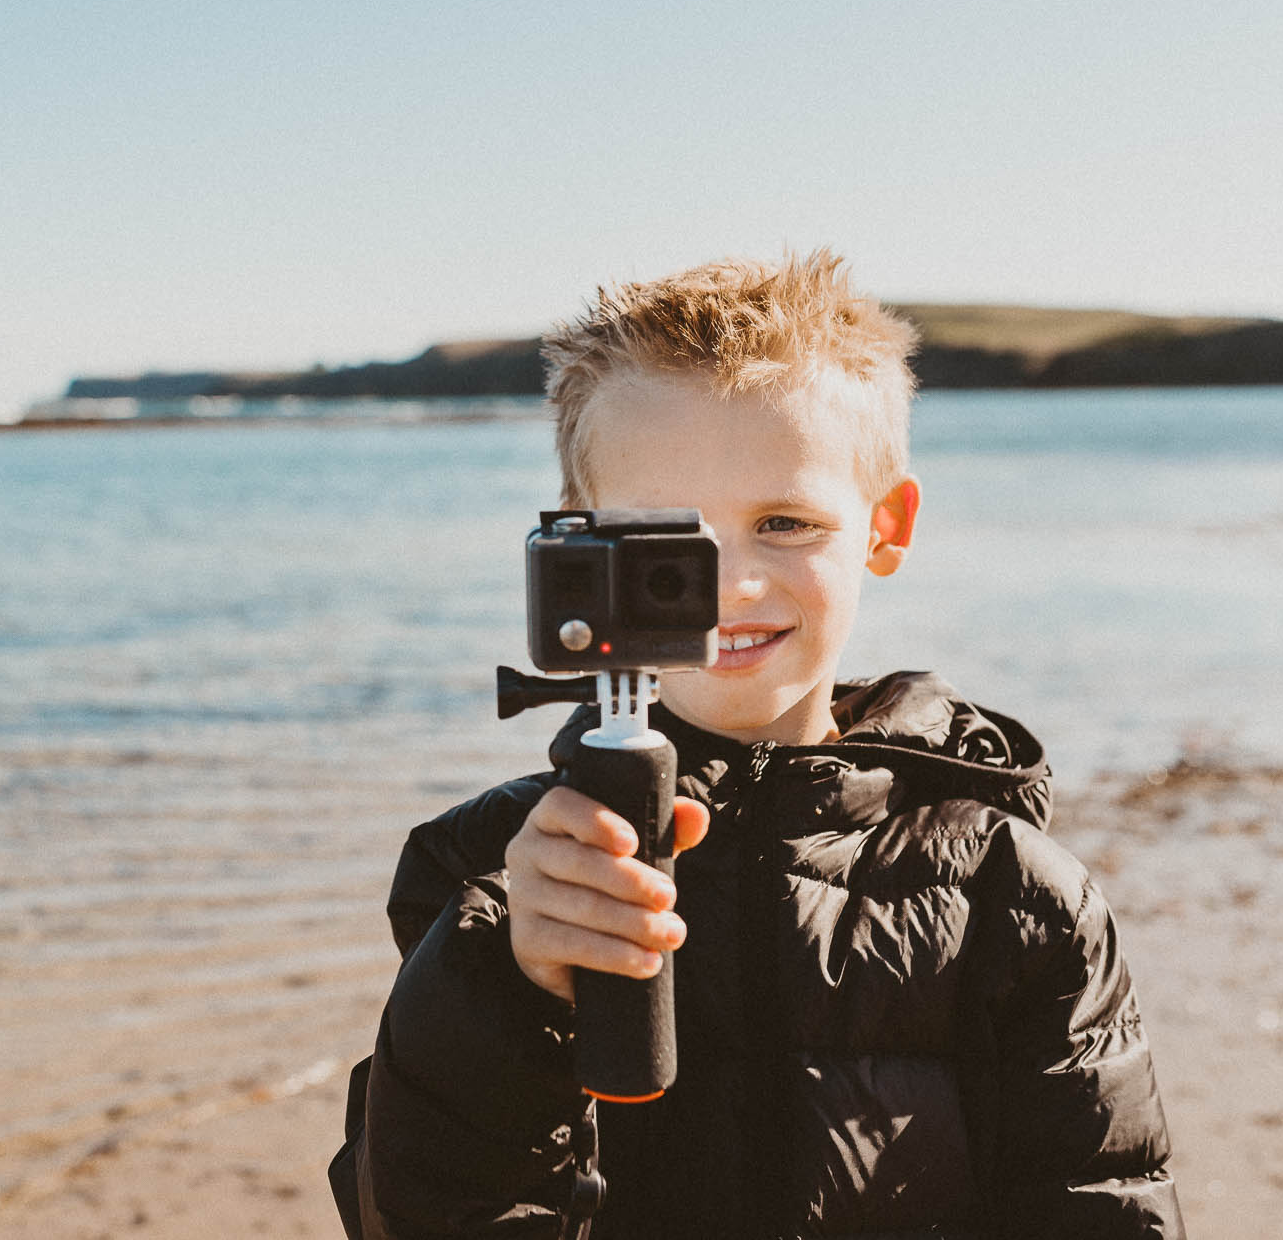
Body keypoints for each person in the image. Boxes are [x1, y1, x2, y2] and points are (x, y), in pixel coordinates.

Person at [329, 251, 1181, 1238]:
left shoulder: (1015, 892)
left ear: (883, 527)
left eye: (783, 522)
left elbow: (1101, 1205)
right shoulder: (492, 868)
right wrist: (505, 984)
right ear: (577, 541)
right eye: (666, 538)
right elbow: (412, 1212)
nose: (730, 583)